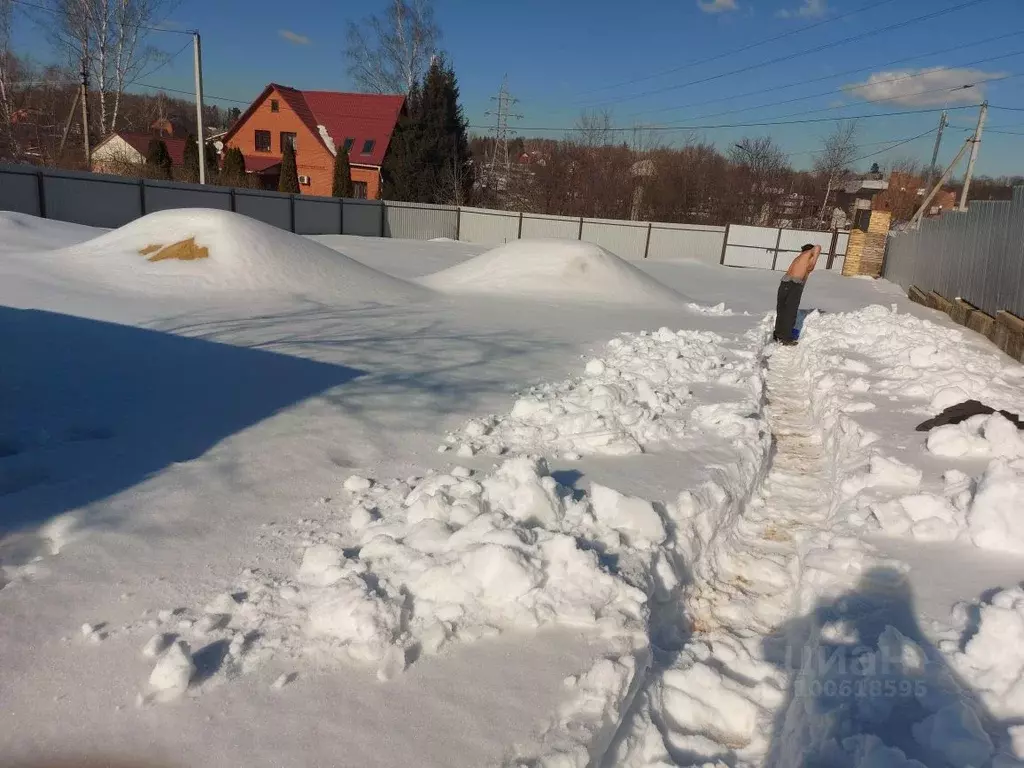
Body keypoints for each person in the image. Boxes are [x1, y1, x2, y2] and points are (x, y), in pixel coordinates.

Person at [773, 243, 821, 345]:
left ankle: (778, 334)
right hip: (794, 284)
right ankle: (786, 338)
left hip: (784, 283)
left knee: (782, 310)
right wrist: (814, 260)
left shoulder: (798, 258)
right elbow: (817, 247)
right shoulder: (809, 254)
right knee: (790, 311)